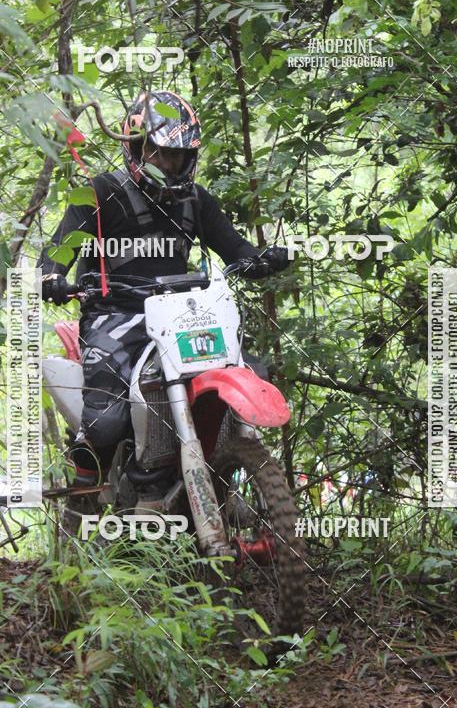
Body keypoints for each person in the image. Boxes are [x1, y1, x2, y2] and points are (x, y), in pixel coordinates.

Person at [38, 89, 289, 487]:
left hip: (182, 316)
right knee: (105, 421)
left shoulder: (195, 200)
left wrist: (265, 259)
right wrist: (52, 278)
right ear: (137, 149)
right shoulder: (100, 193)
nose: (170, 165)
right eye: (160, 153)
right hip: (116, 314)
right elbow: (57, 251)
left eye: (178, 156)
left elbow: (236, 250)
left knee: (251, 367)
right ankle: (88, 478)